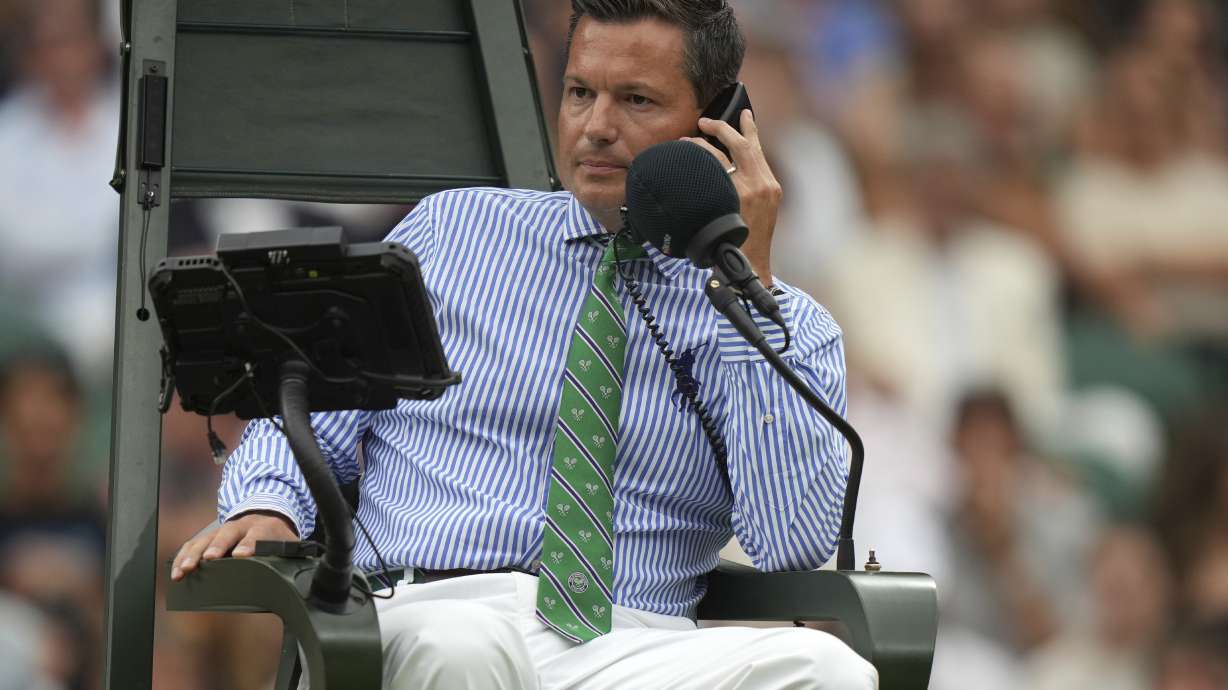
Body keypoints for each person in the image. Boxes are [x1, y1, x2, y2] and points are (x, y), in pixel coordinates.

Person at [172, 1, 875, 688]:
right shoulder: (453, 232)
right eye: (579, 92)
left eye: (635, 100)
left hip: (634, 645)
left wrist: (743, 284)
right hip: (436, 610)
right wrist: (268, 505)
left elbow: (792, 543)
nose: (596, 127)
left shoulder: (784, 323)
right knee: (465, 648)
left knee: (833, 670)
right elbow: (310, 403)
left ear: (717, 125)